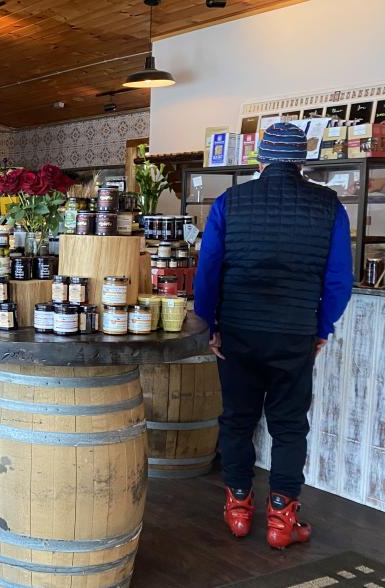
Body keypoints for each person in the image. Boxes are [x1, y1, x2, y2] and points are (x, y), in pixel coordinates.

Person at [194, 122, 353, 549]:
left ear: (260, 159)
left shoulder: (231, 201)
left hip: (239, 332)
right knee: (289, 427)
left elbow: (208, 270)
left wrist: (209, 326)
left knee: (237, 420)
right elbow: (339, 280)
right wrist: (321, 329)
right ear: (301, 161)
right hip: (294, 332)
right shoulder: (329, 205)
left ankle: (238, 509)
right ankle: (282, 521)